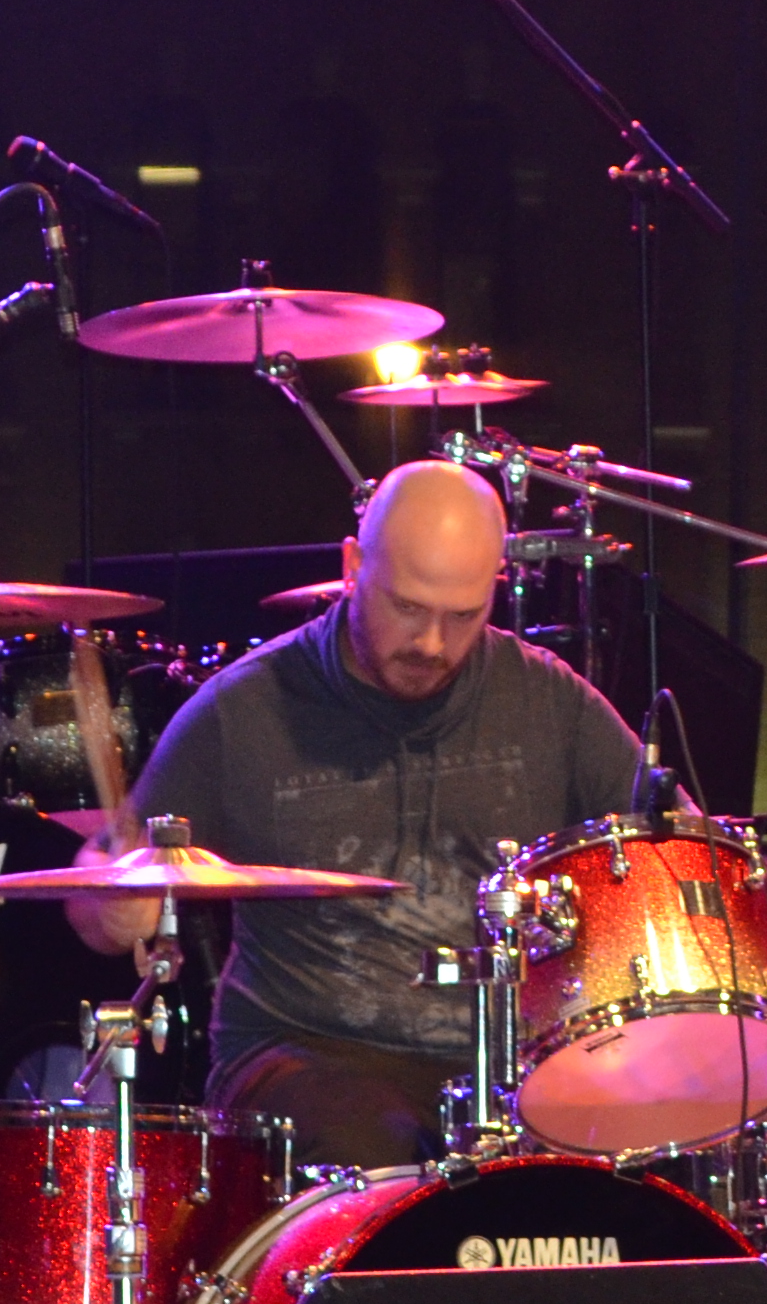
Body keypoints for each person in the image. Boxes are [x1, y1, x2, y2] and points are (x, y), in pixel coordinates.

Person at [120, 459, 646, 1166]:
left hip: (513, 1059)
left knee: (729, 1154)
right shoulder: (243, 710)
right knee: (385, 1152)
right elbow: (109, 884)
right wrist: (116, 905)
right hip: (304, 1052)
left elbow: (667, 856)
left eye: (462, 616)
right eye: (407, 607)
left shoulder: (550, 701)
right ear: (352, 566)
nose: (432, 643)